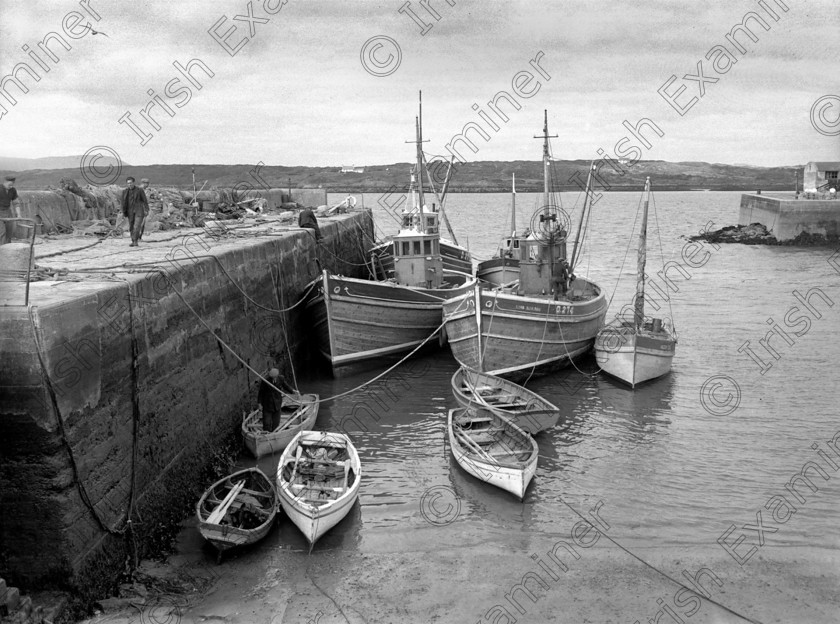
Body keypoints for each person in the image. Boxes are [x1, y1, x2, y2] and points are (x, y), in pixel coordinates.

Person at [257, 368, 296, 432]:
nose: (273, 379)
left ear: (277, 376)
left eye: (275, 377)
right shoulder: (265, 381)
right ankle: (266, 434)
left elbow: (286, 386)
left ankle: (274, 433)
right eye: (272, 377)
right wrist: (259, 403)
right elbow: (261, 393)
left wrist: (292, 391)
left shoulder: (281, 379)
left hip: (277, 404)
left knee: (276, 423)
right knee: (266, 423)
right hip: (267, 404)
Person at [121, 176, 148, 247]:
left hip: (139, 211)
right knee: (131, 227)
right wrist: (123, 212)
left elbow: (145, 201)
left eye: (131, 183)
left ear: (133, 183)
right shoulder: (125, 192)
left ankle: (135, 241)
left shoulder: (139, 190)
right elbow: (123, 203)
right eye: (128, 183)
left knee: (137, 226)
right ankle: (133, 240)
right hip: (130, 212)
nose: (129, 184)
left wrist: (146, 210)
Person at [0, 175, 20, 245]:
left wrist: (19, 214)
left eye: (12, 185)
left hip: (8, 213)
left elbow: (16, 203)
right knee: (2, 233)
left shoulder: (13, 190)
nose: (11, 186)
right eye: (9, 185)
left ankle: (8, 249)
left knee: (9, 232)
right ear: (5, 182)